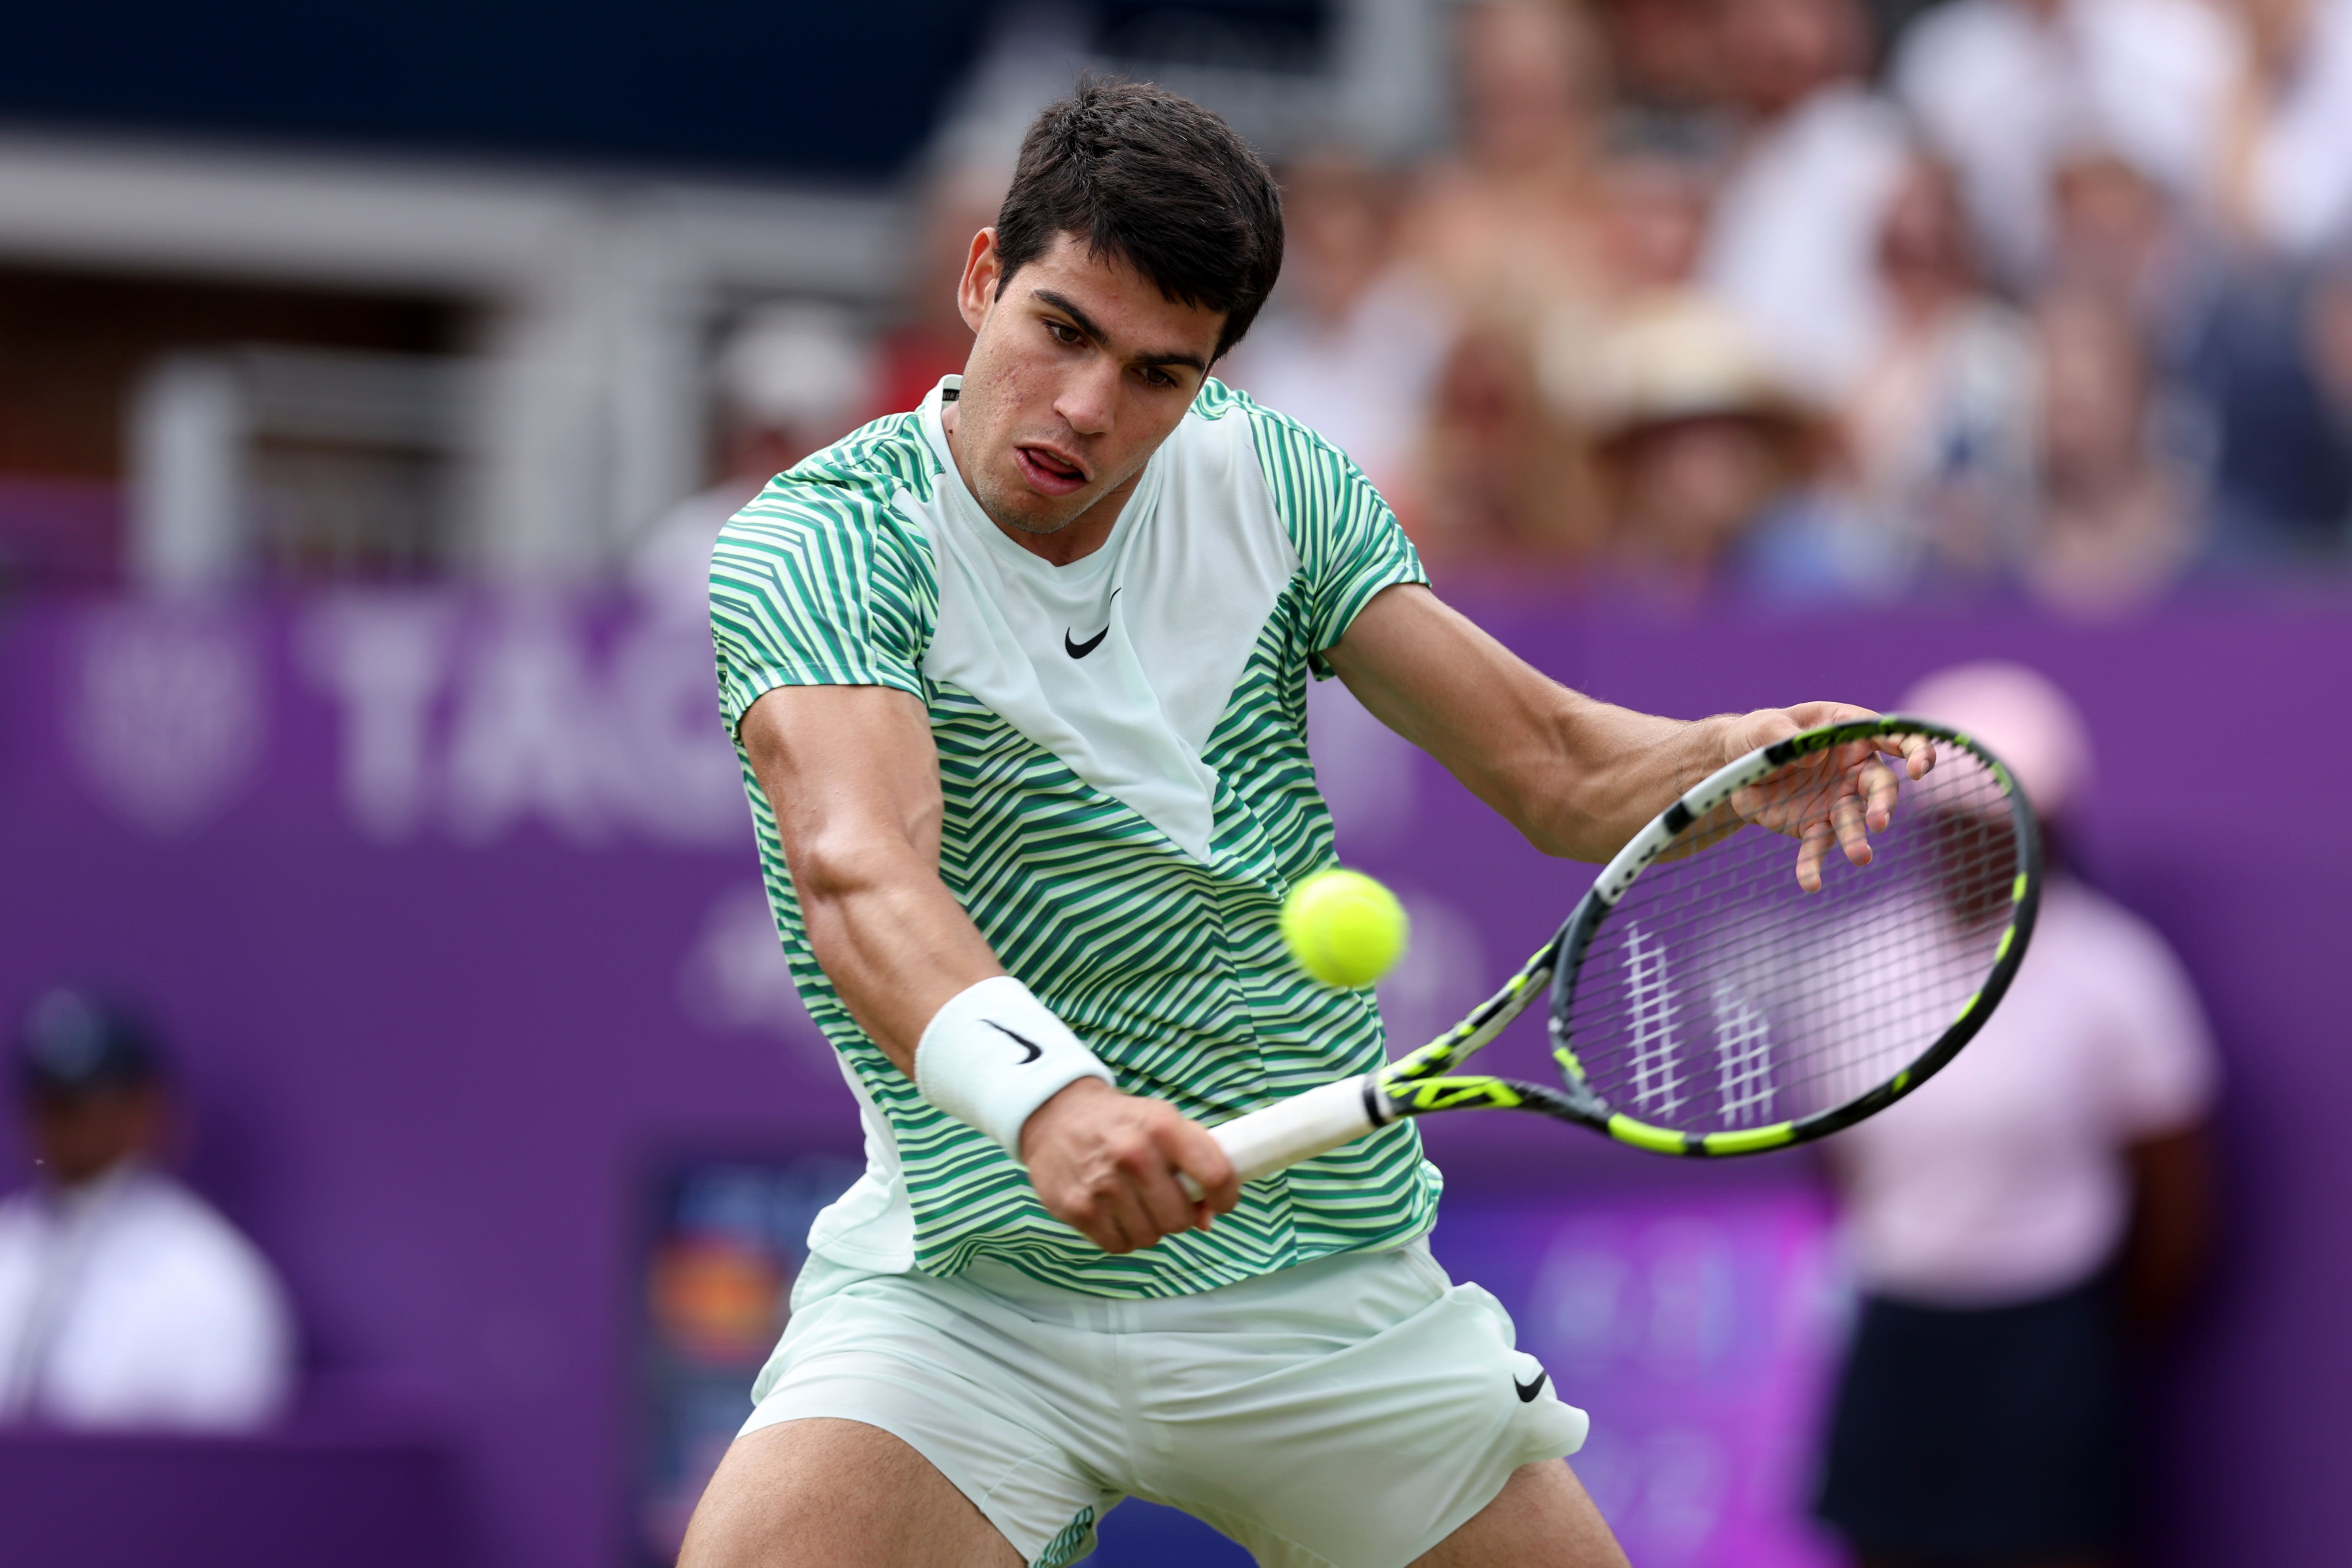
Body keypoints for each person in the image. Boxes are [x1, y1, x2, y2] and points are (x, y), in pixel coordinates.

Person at [685, 80, 1923, 1568]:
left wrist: (1717, 756)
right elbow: (857, 868)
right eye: (1059, 329)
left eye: (1156, 372)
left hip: (1317, 1289)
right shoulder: (817, 542)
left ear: (1210, 376)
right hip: (975, 1285)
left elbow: (1552, 766)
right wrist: (1051, 1104)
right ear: (978, 278)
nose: (1087, 409)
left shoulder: (1274, 485)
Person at [1815, 663, 2219, 1568]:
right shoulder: (1851, 966)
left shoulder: (2120, 974)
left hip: (2049, 1347)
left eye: (1994, 828)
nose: (1967, 850)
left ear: (2050, 831)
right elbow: (1835, 1164)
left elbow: (2176, 1201)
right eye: (1950, 826)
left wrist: (2074, 1336)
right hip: (1898, 1337)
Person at [0, 988, 295, 1431]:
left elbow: (228, 1470)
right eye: (51, 1103)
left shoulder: (209, 1279)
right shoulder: (11, 1246)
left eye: (89, 1103)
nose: (67, 1125)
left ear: (149, 1108)